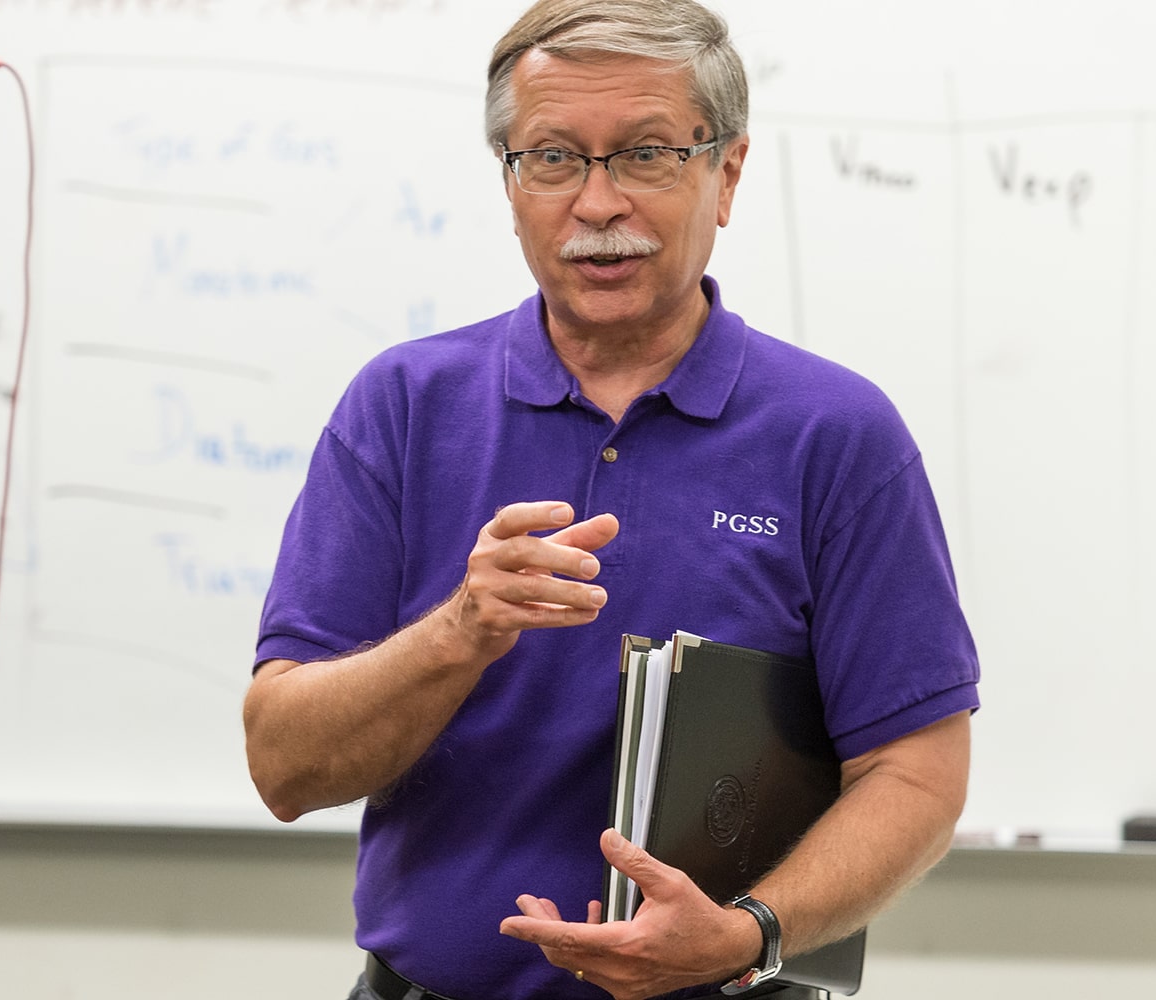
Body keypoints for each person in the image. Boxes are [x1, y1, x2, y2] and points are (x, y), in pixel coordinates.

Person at [242, 1, 980, 997]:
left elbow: (914, 778)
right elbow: (285, 766)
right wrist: (456, 631)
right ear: (508, 183)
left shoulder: (835, 435)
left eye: (643, 154)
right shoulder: (404, 407)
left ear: (725, 173)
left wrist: (747, 931)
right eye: (552, 158)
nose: (595, 203)